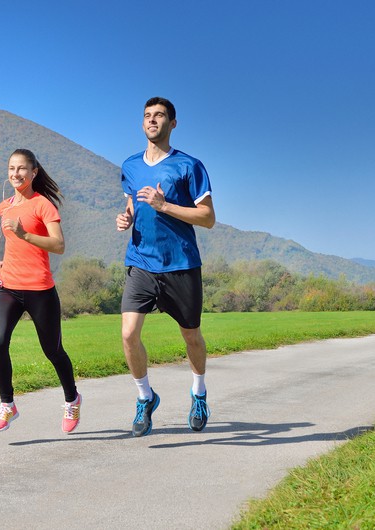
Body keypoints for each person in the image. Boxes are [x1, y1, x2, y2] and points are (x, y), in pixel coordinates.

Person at [116, 97, 216, 437]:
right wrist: (126, 217)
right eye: (147, 116)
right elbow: (132, 202)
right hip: (141, 261)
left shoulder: (189, 166)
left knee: (191, 336)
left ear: (173, 123)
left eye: (159, 115)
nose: (152, 120)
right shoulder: (130, 166)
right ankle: (145, 397)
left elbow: (208, 218)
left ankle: (199, 392)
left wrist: (165, 205)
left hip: (181, 264)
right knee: (129, 334)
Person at [0, 148, 81, 433]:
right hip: (10, 287)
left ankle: (72, 399)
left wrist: (24, 233)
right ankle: (7, 405)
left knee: (53, 351)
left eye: (22, 169)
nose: (16, 174)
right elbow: (17, 245)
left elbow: (59, 245)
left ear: (34, 172)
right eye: (11, 169)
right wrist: (6, 262)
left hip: (40, 289)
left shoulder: (43, 206)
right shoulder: (5, 207)